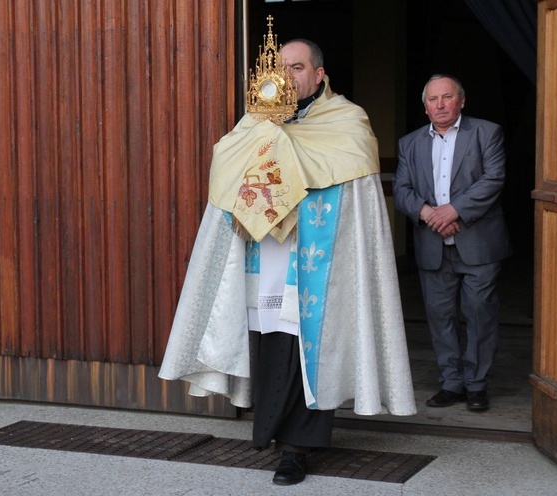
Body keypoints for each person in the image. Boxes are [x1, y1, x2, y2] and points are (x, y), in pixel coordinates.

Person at [159, 27, 416, 487]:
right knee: (274, 350)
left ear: (319, 76)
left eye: (297, 68)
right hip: (268, 261)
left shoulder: (347, 121)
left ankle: (297, 450)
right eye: (281, 68)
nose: (288, 77)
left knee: (307, 356)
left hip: (320, 266)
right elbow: (228, 171)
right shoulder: (253, 125)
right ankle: (273, 435)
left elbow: (357, 204)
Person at [392, 74, 511, 413]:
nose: (440, 105)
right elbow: (402, 190)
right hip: (432, 243)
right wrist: (431, 214)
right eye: (433, 99)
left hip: (478, 243)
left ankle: (476, 385)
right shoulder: (409, 142)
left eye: (447, 97)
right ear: (425, 106)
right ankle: (451, 382)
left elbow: (494, 180)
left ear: (461, 101)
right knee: (440, 316)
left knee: (479, 314)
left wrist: (454, 211)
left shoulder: (487, 133)